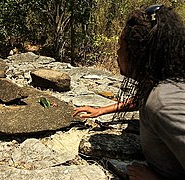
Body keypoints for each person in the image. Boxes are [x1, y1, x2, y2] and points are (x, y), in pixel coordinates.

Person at [73, 4, 185, 180]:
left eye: (120, 47)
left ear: (137, 53)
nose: (117, 54)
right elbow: (139, 100)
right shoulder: (163, 80)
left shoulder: (163, 104)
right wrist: (102, 110)